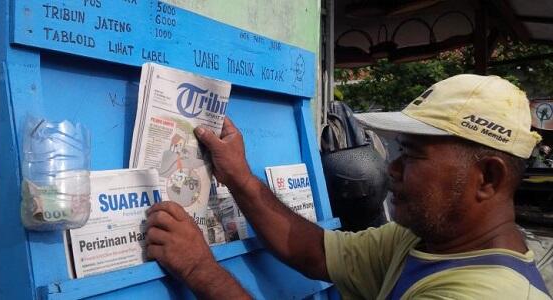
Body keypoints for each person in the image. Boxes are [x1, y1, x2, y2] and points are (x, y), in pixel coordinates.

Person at [144, 74, 551, 299]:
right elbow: (317, 252)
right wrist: (239, 176)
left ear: (488, 178)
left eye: (411, 155)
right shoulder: (423, 242)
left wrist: (200, 269)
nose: (391, 168)